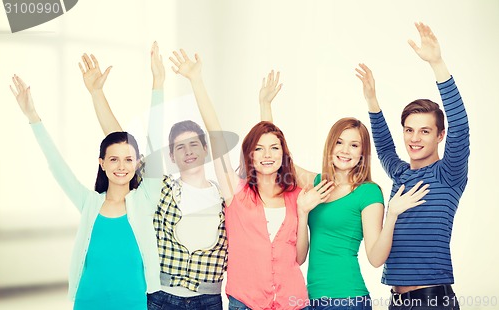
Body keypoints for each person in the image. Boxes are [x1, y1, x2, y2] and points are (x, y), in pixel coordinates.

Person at [168, 49, 330, 310]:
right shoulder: (235, 190)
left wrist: (302, 211)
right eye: (259, 149)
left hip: (294, 302)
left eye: (275, 148)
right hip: (246, 303)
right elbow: (215, 134)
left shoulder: (296, 195)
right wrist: (196, 80)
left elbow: (299, 257)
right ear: (249, 155)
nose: (267, 155)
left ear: (283, 153)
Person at [260, 71, 429, 309]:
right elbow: (278, 158)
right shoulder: (316, 183)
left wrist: (392, 215)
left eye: (354, 145)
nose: (345, 150)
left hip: (348, 299)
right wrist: (265, 106)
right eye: (339, 142)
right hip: (311, 298)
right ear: (330, 145)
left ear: (362, 153)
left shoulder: (367, 193)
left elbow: (375, 258)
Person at [79, 42, 227, 310]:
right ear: (171, 156)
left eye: (194, 144)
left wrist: (196, 80)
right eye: (179, 147)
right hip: (161, 298)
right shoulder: (160, 189)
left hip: (209, 300)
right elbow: (122, 146)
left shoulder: (224, 195)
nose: (188, 151)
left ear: (206, 150)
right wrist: (97, 94)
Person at [10, 75, 162, 310]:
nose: (121, 166)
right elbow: (58, 168)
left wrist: (158, 83)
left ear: (136, 163)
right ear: (102, 163)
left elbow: (156, 141)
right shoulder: (90, 202)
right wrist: (33, 117)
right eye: (114, 159)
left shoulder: (146, 198)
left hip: (132, 301)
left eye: (128, 159)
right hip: (88, 300)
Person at [355, 22, 470, 309]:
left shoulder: (449, 173)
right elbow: (382, 145)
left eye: (425, 131)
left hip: (432, 300)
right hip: (397, 301)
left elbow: (461, 126)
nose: (415, 138)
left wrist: (437, 64)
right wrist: (371, 99)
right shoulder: (400, 174)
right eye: (409, 130)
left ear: (440, 135)